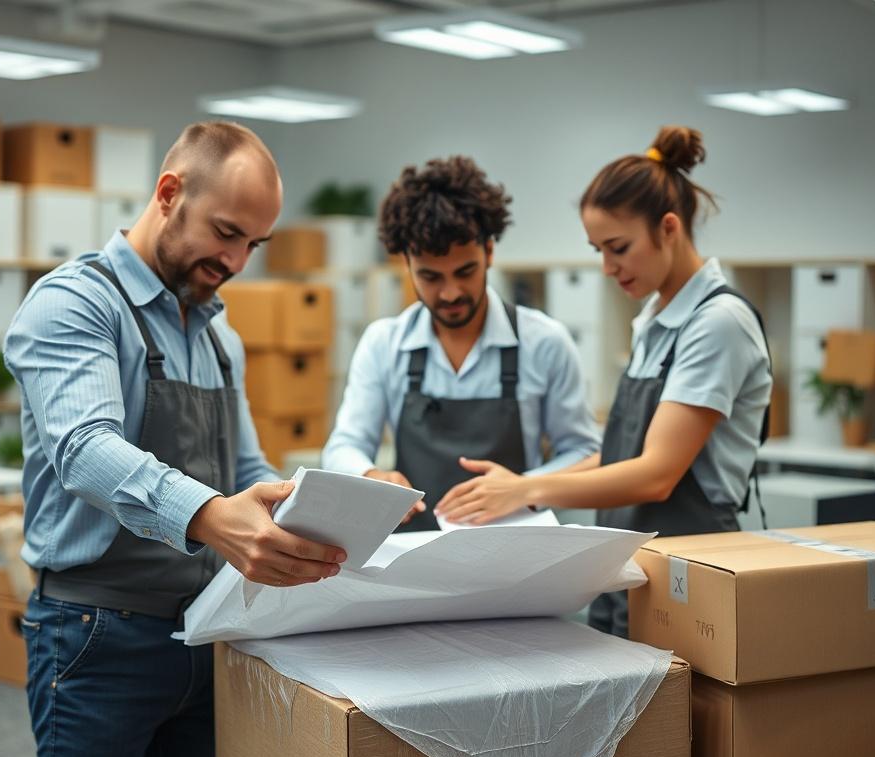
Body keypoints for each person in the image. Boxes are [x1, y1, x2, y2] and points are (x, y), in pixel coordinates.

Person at [4, 121, 347, 757]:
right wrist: (213, 517)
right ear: (168, 193)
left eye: (254, 243)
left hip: (209, 633)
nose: (239, 262)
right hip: (96, 635)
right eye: (226, 233)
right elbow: (83, 446)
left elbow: (244, 468)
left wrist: (324, 510)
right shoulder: (75, 305)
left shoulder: (220, 339)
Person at [436, 126, 772, 637]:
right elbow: (623, 451)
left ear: (669, 228)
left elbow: (658, 473)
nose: (608, 268)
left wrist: (529, 487)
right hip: (633, 558)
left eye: (618, 247)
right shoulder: (654, 321)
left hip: (692, 565)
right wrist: (523, 491)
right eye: (598, 250)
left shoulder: (717, 322)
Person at [321, 156, 600, 531]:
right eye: (431, 277)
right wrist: (370, 474)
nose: (450, 293)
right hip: (410, 554)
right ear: (406, 263)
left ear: (489, 251)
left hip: (515, 553)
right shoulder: (384, 343)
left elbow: (585, 451)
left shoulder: (545, 342)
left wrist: (523, 488)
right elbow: (343, 446)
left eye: (465, 272)